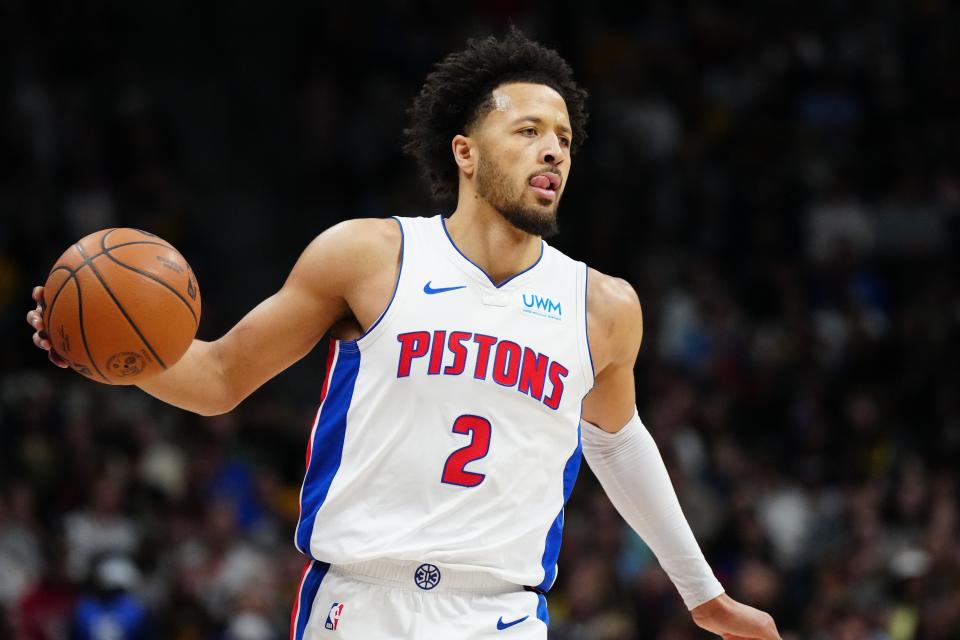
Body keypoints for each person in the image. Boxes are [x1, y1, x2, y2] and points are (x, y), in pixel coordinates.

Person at [28, 29, 781, 640]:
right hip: (361, 602)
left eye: (563, 137)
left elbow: (617, 442)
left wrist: (703, 594)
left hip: (501, 613)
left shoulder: (604, 306)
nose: (555, 149)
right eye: (528, 130)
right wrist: (109, 359)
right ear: (465, 151)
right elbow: (221, 375)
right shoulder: (368, 256)